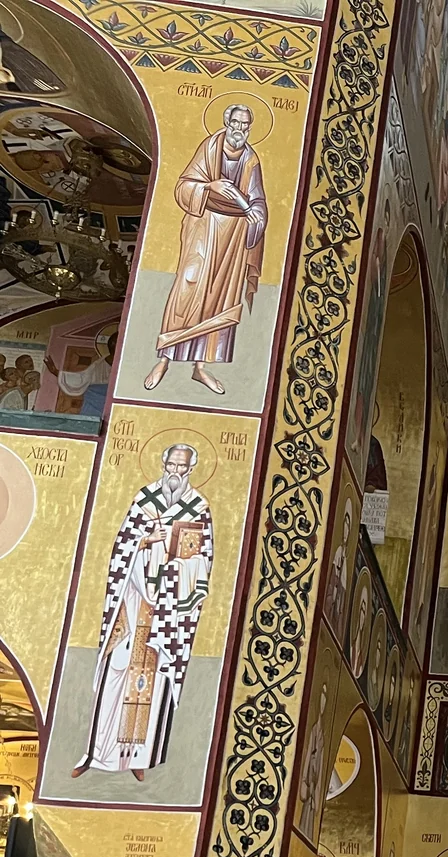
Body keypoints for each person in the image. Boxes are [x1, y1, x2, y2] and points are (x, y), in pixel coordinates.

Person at [72, 443, 213, 781]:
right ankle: (98, 753)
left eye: (183, 468)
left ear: (191, 470)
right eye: (172, 465)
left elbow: (203, 558)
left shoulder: (199, 507)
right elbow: (122, 545)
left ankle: (141, 756)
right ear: (163, 463)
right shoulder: (143, 499)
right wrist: (149, 539)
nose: (176, 473)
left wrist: (182, 562)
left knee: (155, 678)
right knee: (117, 671)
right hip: (133, 600)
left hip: (166, 608)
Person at [143, 104, 269, 395]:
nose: (240, 129)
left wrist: (256, 216)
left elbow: (258, 199)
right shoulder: (209, 148)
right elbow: (184, 186)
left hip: (235, 234)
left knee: (220, 296)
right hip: (204, 224)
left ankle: (200, 367)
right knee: (188, 287)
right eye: (236, 122)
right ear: (227, 121)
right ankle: (164, 357)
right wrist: (210, 186)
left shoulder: (251, 158)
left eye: (246, 125)